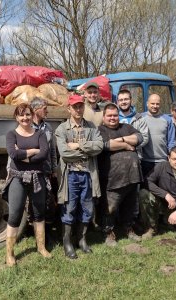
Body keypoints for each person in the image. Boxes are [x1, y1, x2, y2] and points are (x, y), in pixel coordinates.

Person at [3, 103, 51, 266]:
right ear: (16, 117)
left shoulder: (40, 134)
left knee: (39, 213)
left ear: (32, 116)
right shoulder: (12, 134)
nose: (25, 118)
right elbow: (13, 154)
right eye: (21, 115)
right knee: (14, 215)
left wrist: (24, 155)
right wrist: (33, 151)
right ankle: (9, 254)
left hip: (37, 177)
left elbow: (44, 154)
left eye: (28, 115)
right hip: (18, 178)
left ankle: (41, 247)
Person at [55, 94, 103, 259]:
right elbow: (64, 153)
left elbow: (99, 146)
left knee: (87, 207)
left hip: (88, 174)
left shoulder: (91, 127)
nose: (78, 109)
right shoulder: (62, 129)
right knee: (69, 208)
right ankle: (67, 241)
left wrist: (78, 145)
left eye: (80, 106)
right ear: (69, 109)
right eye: (75, 106)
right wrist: (86, 153)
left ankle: (82, 239)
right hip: (70, 175)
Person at [97, 103, 143, 246]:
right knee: (110, 207)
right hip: (112, 178)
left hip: (132, 176)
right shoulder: (99, 130)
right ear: (103, 117)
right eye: (109, 115)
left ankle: (128, 229)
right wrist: (126, 145)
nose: (112, 118)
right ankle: (109, 233)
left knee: (129, 205)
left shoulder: (126, 127)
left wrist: (121, 140)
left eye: (115, 115)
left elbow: (139, 138)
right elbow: (105, 145)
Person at [138, 93, 176, 239]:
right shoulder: (140, 118)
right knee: (145, 193)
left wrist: (171, 158)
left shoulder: (167, 120)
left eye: (157, 104)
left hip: (162, 162)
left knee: (163, 192)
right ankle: (149, 224)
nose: (155, 106)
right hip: (145, 162)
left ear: (160, 104)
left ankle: (164, 220)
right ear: (147, 103)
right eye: (152, 103)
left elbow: (171, 141)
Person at [30, 98, 58, 225]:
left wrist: (54, 168)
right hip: (30, 171)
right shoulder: (27, 126)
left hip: (45, 171)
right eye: (45, 108)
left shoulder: (48, 127)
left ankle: (48, 233)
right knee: (32, 202)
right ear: (36, 110)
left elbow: (52, 150)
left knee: (47, 202)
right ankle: (33, 229)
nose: (47, 111)